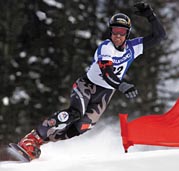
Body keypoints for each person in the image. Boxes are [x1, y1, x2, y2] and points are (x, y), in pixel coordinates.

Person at [17, 2, 166, 160]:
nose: (118, 35)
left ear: (127, 34)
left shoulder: (133, 47)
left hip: (105, 95)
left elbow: (159, 36)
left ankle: (38, 144)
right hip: (88, 86)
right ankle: (32, 138)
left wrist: (151, 16)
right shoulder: (106, 48)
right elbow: (107, 72)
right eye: (115, 31)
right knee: (75, 113)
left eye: (122, 32)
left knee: (80, 128)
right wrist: (122, 86)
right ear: (110, 31)